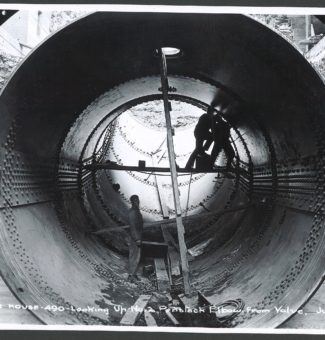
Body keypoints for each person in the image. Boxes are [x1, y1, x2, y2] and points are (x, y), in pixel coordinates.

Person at [185, 106, 235, 170]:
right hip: (201, 133)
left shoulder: (205, 116)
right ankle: (203, 150)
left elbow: (211, 128)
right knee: (201, 147)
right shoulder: (209, 118)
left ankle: (190, 164)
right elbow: (212, 129)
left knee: (198, 149)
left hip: (199, 133)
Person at [127, 194, 143, 282]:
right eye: (137, 200)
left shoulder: (135, 211)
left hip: (136, 237)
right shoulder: (133, 212)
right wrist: (137, 239)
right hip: (134, 238)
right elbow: (133, 227)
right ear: (134, 202)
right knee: (134, 256)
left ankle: (133, 274)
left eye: (138, 200)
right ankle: (130, 276)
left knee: (137, 256)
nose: (138, 202)